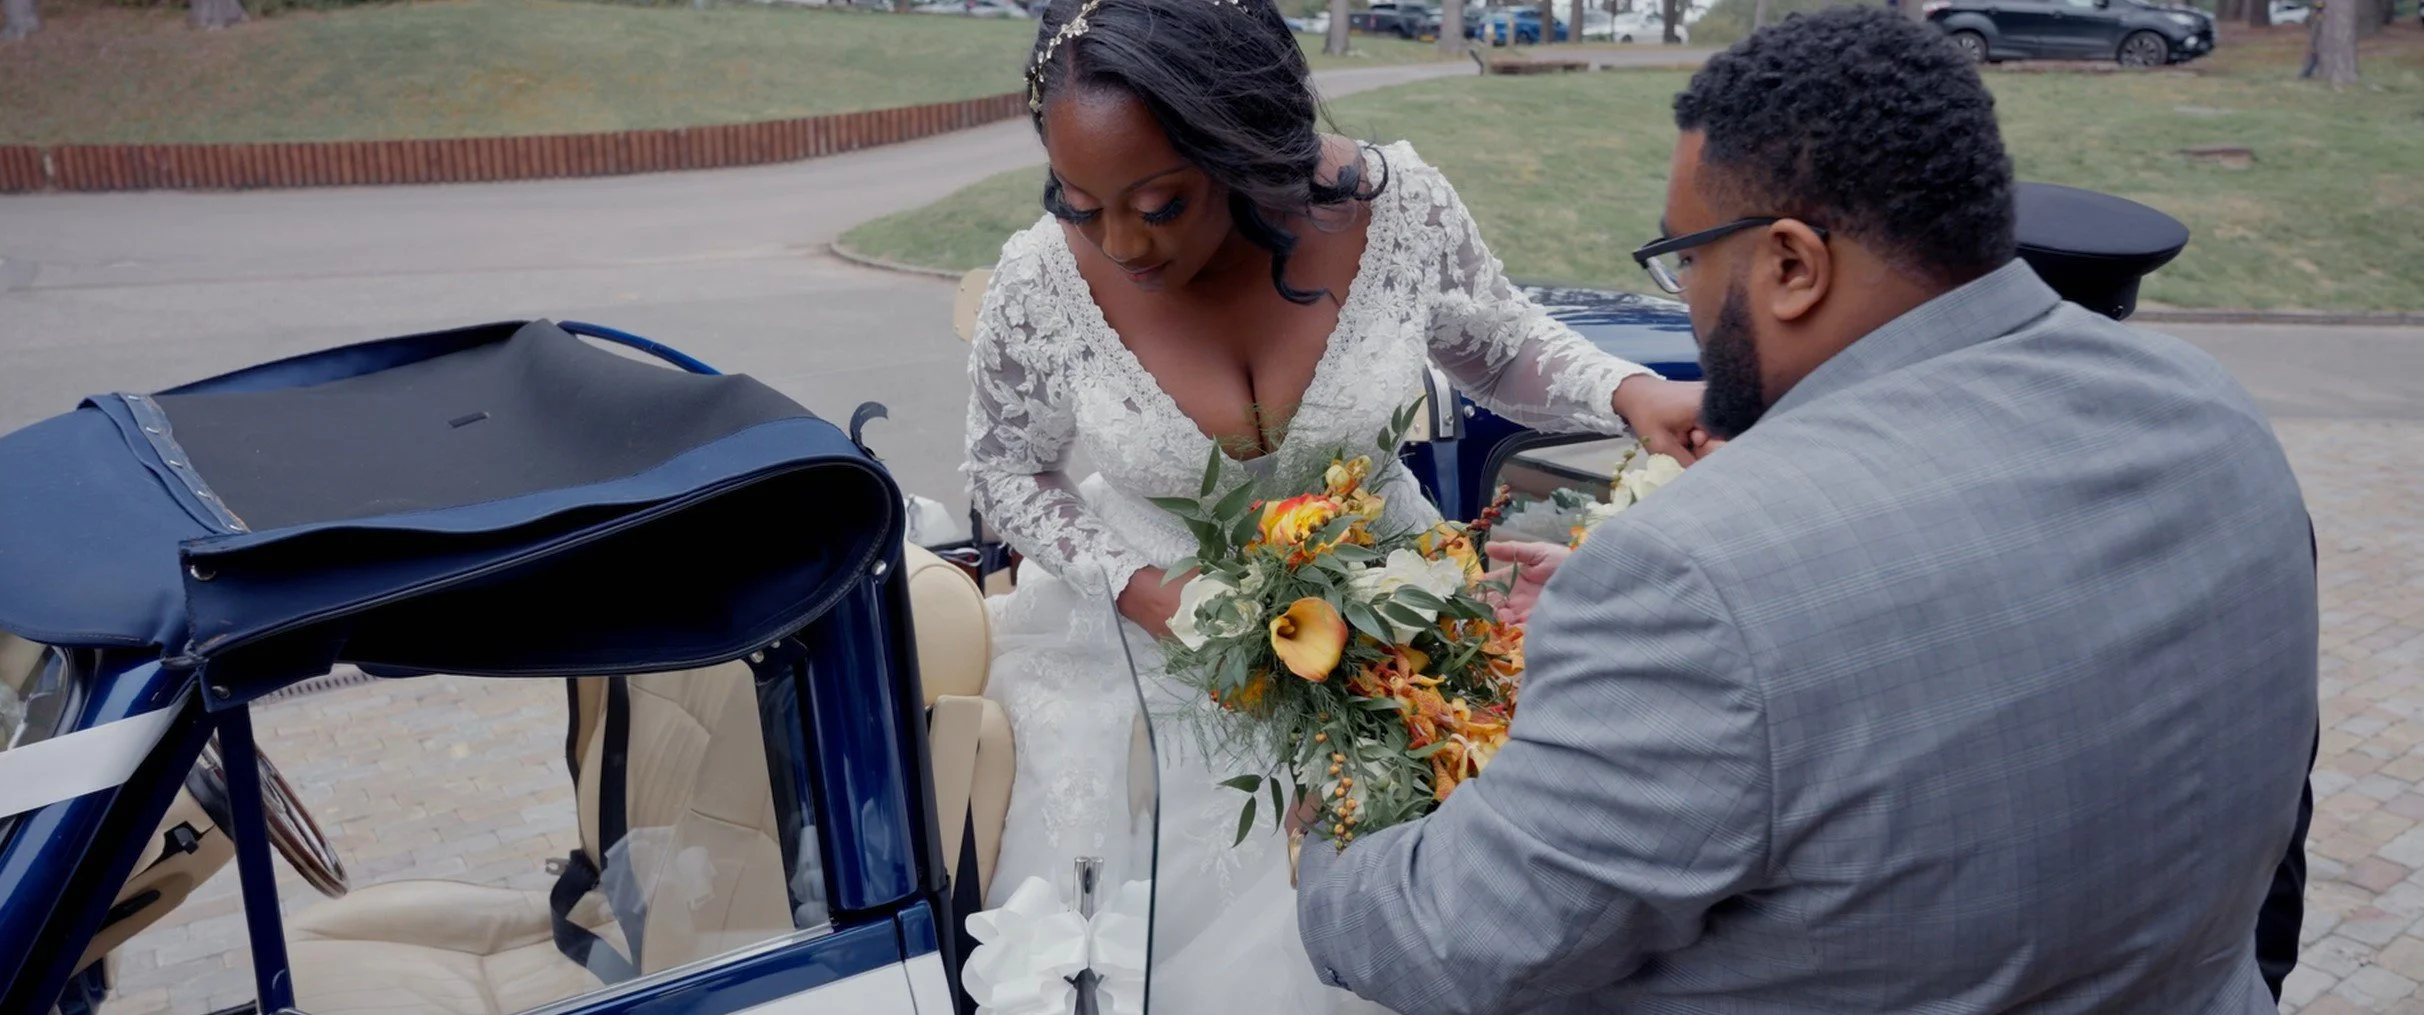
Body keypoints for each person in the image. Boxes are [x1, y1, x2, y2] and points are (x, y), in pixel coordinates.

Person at [1295, 8, 2319, 1013]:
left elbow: (1449, 943)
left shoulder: (1698, 578)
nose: (1687, 292)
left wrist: (1321, 818)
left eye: (1686, 256)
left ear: (1791, 265)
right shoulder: (2213, 410)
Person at [959, 0, 1710, 1009]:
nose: (1121, 242)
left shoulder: (1396, 207)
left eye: (1160, 202)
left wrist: (1632, 393)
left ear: (1243, 148)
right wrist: (1146, 591)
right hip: (1148, 667)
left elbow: (1496, 342)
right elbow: (1005, 474)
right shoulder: (1041, 281)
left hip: (1388, 629)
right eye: (1078, 200)